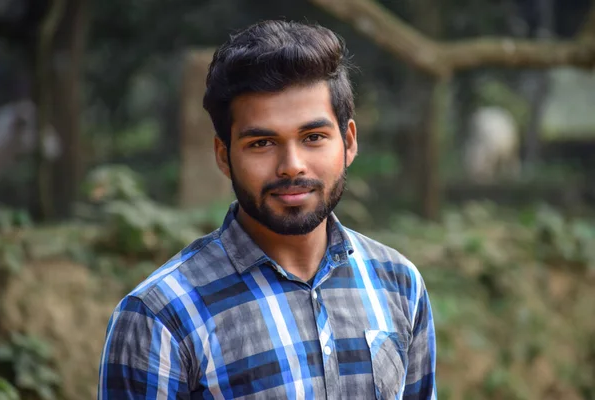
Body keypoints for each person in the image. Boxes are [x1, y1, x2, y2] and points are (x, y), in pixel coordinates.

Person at [98, 19, 437, 400]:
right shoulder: (161, 316)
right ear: (224, 156)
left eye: (313, 137)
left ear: (348, 141)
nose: (291, 165)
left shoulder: (399, 284)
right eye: (261, 143)